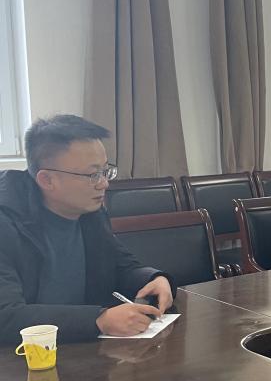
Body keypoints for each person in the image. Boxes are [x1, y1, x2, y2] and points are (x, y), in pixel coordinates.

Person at [0, 115, 175, 343]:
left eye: (105, 171)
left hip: (86, 349)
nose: (104, 183)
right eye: (92, 175)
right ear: (47, 180)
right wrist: (98, 319)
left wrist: (154, 279)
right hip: (26, 357)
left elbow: (120, 264)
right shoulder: (7, 222)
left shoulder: (90, 211)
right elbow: (6, 315)